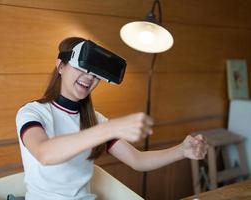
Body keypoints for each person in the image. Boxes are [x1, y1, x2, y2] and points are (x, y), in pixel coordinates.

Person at [15, 37, 207, 200]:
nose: (89, 78)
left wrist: (182, 151)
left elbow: (137, 160)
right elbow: (44, 154)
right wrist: (109, 129)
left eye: (96, 74)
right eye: (82, 68)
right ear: (60, 66)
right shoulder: (32, 112)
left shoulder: (96, 120)